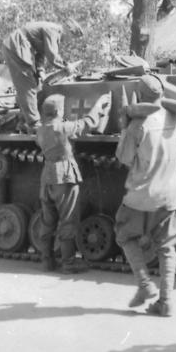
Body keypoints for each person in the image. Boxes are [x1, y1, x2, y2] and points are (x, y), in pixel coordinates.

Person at [114, 74, 176, 317]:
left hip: (142, 196)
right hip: (172, 194)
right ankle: (165, 302)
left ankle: (145, 284)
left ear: (140, 96)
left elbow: (123, 158)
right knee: (167, 247)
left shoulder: (138, 125)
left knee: (125, 235)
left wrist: (126, 126)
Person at [35, 92, 111, 274]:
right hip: (63, 175)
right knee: (68, 219)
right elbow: (88, 123)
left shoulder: (40, 129)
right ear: (59, 110)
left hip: (47, 176)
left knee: (48, 220)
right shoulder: (63, 128)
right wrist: (99, 103)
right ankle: (68, 263)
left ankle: (46, 261)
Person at [1, 21, 81, 132]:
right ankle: (34, 124)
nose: (70, 41)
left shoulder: (52, 33)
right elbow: (52, 56)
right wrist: (67, 66)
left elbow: (41, 54)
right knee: (28, 85)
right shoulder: (53, 31)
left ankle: (23, 121)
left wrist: (40, 71)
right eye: (72, 37)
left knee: (34, 83)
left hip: (20, 47)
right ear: (68, 31)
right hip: (18, 46)